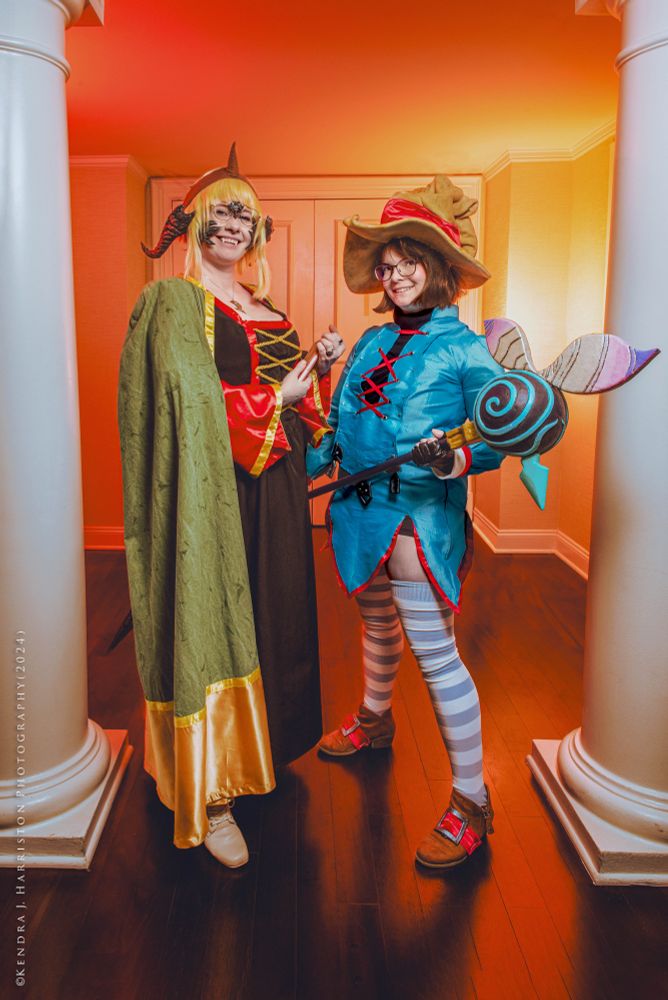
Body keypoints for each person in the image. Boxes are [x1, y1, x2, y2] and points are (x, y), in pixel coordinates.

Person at [119, 145, 344, 867]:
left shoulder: (268, 309)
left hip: (276, 488)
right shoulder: (173, 303)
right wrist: (272, 399)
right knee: (211, 620)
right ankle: (211, 790)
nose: (232, 225)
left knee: (274, 611)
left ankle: (260, 753)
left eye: (244, 215)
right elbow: (179, 405)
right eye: (219, 212)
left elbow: (293, 402)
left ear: (257, 233)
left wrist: (315, 370)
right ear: (194, 226)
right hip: (214, 493)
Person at [306, 175, 505, 870]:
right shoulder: (367, 342)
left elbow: (499, 433)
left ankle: (472, 800)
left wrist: (455, 459)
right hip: (356, 514)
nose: (394, 276)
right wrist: (297, 455)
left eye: (409, 262)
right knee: (375, 623)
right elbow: (337, 425)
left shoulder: (466, 348)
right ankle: (375, 718)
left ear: (440, 268)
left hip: (420, 519)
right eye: (387, 266)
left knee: (435, 652)